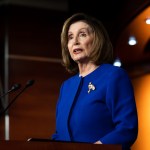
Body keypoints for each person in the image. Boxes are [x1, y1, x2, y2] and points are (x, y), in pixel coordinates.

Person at [51, 13, 138, 150]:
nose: (75, 42)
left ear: (97, 40)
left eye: (82, 34)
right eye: (70, 37)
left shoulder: (113, 76)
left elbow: (127, 128)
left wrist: (96, 148)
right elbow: (59, 134)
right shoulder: (66, 87)